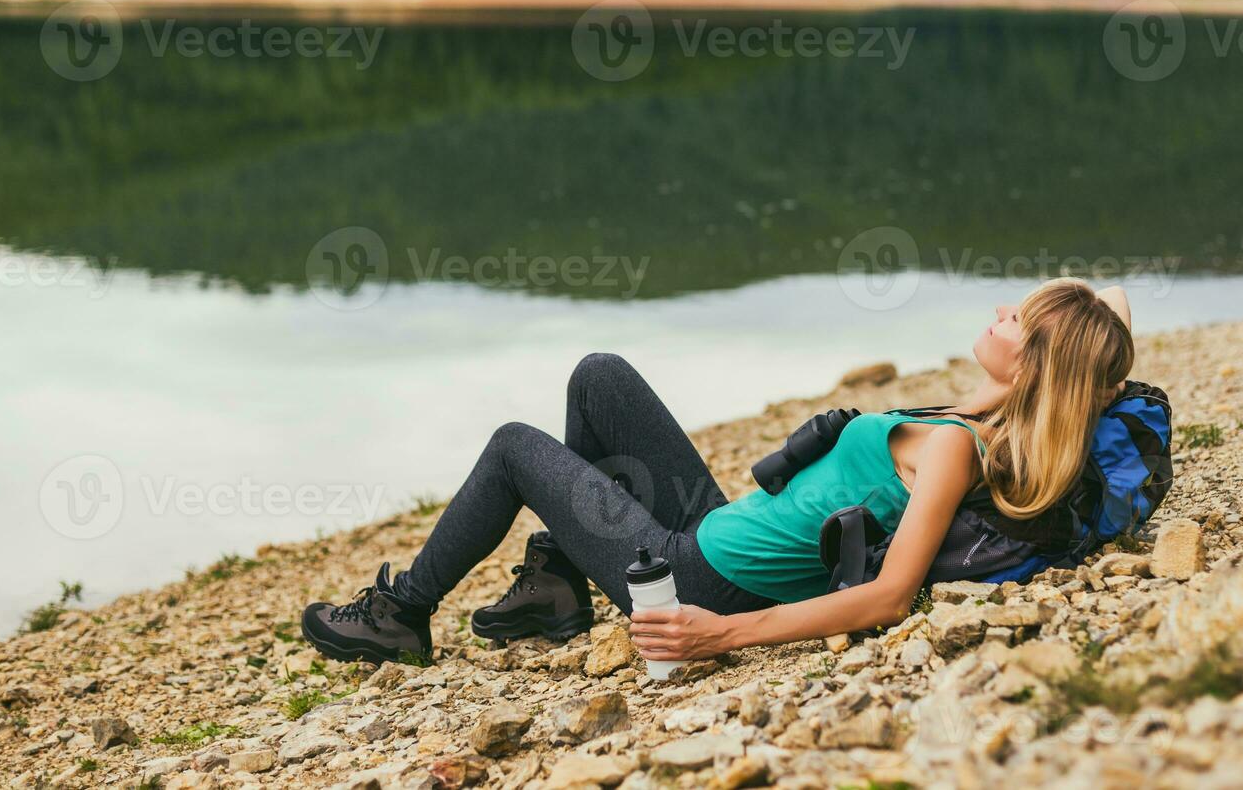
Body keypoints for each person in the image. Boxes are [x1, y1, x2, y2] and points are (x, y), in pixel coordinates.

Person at [301, 278, 1136, 665]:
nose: (999, 310)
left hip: (700, 583)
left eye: (1016, 317)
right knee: (601, 374)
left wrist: (721, 634)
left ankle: (402, 614)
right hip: (711, 533)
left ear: (1036, 366)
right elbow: (1109, 314)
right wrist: (1084, 337)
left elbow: (890, 598)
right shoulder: (966, 415)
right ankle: (557, 583)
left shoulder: (958, 448)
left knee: (515, 445)